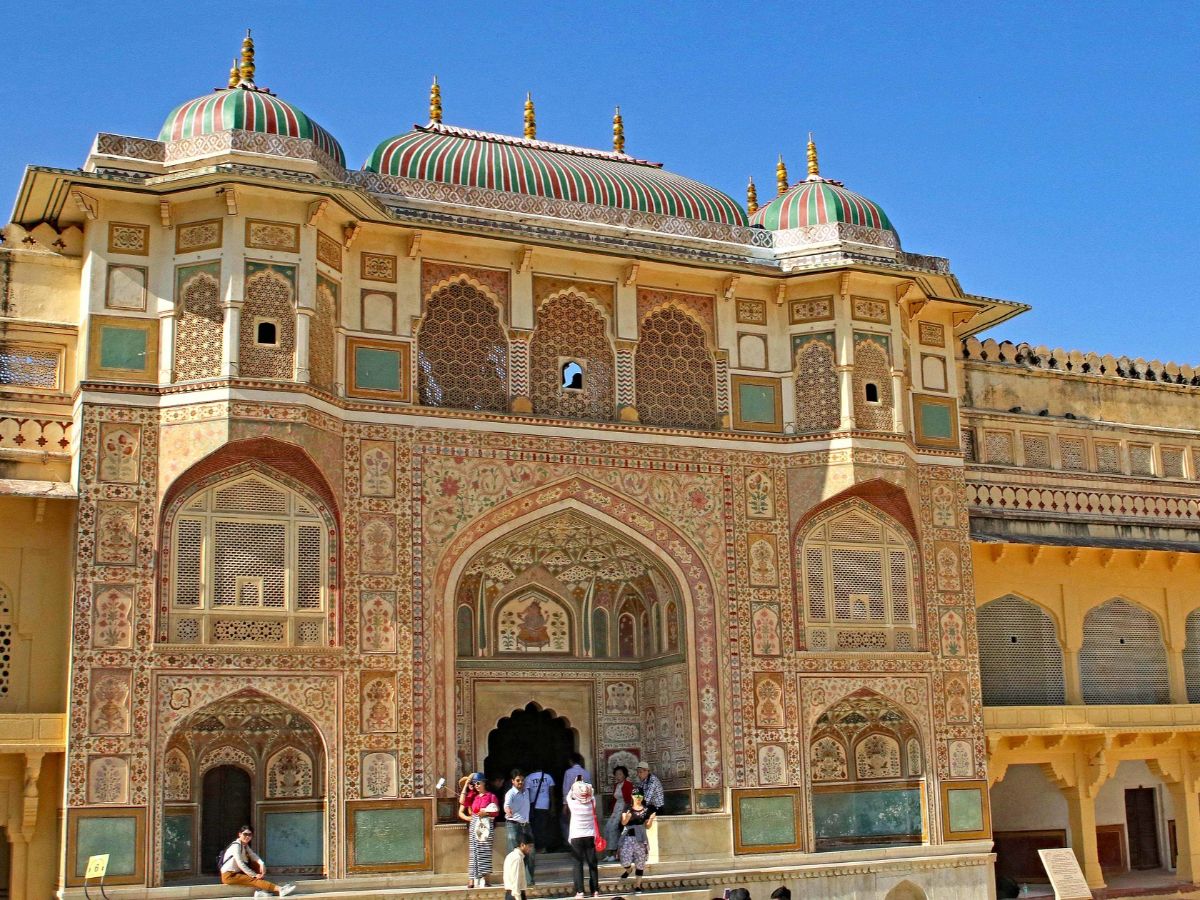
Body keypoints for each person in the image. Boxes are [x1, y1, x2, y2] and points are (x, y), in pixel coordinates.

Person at [219, 825, 296, 897]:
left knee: (256, 865)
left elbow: (253, 855)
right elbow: (240, 863)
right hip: (229, 875)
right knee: (254, 880)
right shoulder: (236, 846)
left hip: (236, 872)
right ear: (240, 834)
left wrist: (261, 864)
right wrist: (253, 875)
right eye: (245, 834)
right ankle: (280, 889)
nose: (247, 837)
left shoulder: (244, 845)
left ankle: (260, 891)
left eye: (250, 835)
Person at [458, 771, 499, 888]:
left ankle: (486, 879)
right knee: (474, 852)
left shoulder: (491, 796)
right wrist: (467, 784)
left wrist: (485, 812)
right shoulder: (473, 796)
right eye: (475, 783)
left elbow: (496, 811)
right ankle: (471, 879)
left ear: (484, 783)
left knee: (485, 851)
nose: (476, 785)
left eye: (478, 783)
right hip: (475, 824)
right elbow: (462, 801)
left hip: (486, 824)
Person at [565, 780, 601, 899]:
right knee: (592, 864)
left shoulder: (573, 805)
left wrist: (575, 785)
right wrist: (585, 787)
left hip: (576, 836)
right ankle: (595, 890)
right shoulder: (592, 804)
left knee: (578, 864)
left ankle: (580, 891)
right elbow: (593, 794)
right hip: (590, 836)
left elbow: (569, 795)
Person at [617, 788, 654, 893]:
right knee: (624, 859)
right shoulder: (627, 807)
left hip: (640, 838)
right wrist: (627, 817)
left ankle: (638, 885)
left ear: (642, 797)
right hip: (628, 837)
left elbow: (647, 826)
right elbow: (623, 823)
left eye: (640, 796)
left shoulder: (646, 809)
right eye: (635, 795)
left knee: (640, 862)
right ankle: (628, 870)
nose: (638, 798)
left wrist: (651, 818)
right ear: (632, 796)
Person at [504, 769, 536, 885]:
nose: (520, 782)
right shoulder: (510, 794)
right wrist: (508, 811)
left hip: (526, 825)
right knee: (514, 853)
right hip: (514, 825)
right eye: (518, 780)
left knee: (530, 853)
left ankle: (529, 880)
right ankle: (513, 881)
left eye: (522, 780)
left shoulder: (526, 792)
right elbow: (506, 806)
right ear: (513, 781)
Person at [603, 764, 634, 861]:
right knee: (607, 827)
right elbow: (614, 799)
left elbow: (629, 800)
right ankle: (608, 853)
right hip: (616, 809)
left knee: (614, 828)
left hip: (624, 808)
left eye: (620, 774)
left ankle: (614, 853)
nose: (618, 776)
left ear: (624, 775)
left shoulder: (628, 785)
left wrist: (625, 812)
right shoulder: (616, 785)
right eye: (616, 774)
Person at [524, 767, 556, 851]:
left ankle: (538, 847)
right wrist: (553, 807)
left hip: (534, 806)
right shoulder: (548, 777)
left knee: (535, 828)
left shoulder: (529, 777)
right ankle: (544, 847)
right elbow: (551, 794)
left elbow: (526, 794)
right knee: (544, 827)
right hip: (545, 806)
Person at [503, 833, 535, 900]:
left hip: (511, 893)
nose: (531, 849)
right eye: (529, 846)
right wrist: (518, 897)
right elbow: (515, 879)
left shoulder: (511, 855)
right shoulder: (517, 858)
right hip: (515, 894)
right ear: (522, 845)